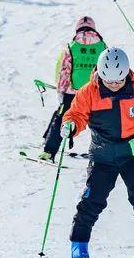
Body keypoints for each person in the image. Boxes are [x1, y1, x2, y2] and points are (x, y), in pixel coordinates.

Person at [62, 47, 134, 258]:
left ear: (126, 73)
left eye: (118, 81)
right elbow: (76, 114)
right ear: (100, 73)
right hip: (103, 155)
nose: (114, 85)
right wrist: (70, 125)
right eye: (109, 81)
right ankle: (78, 248)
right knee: (92, 201)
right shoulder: (89, 91)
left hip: (133, 154)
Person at [37, 16, 106, 161]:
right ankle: (107, 154)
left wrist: (61, 92)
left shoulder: (72, 46)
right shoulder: (102, 47)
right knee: (102, 123)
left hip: (72, 93)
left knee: (62, 119)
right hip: (95, 92)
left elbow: (64, 71)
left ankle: (49, 151)